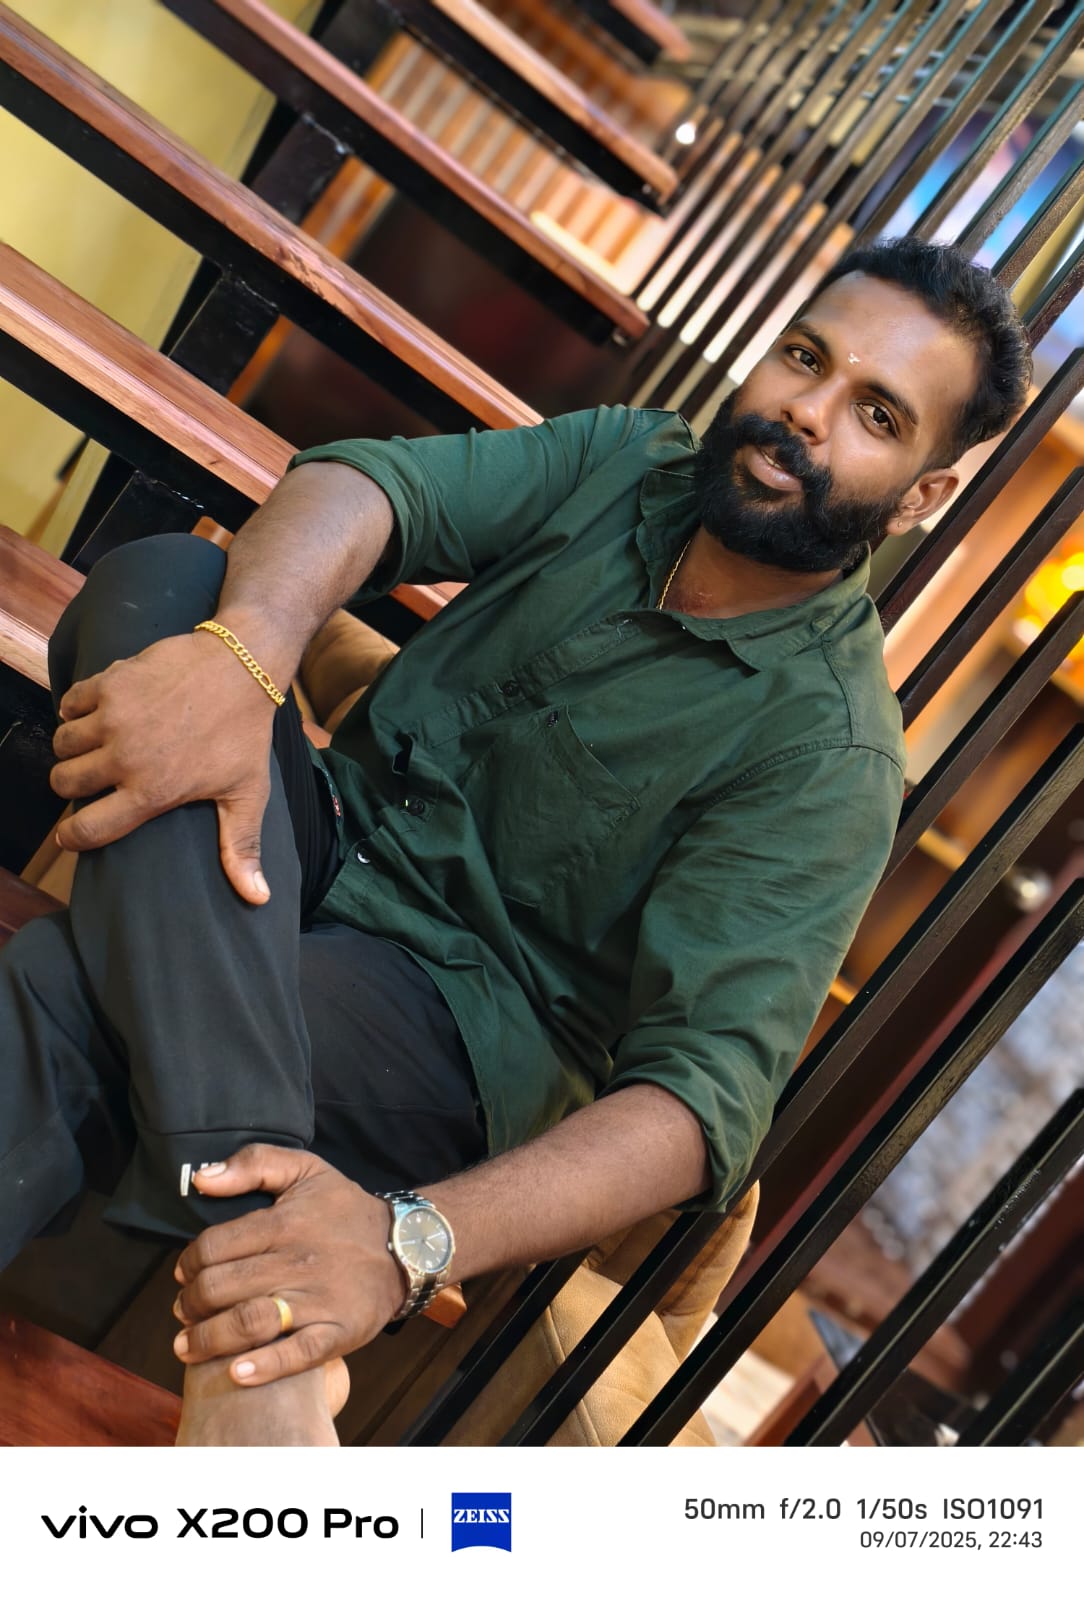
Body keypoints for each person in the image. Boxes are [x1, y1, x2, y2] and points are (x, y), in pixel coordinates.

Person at [0, 239, 1031, 1445]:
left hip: (449, 1020)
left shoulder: (828, 755)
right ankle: (260, 1304)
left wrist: (406, 1241)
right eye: (806, 358)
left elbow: (700, 1105)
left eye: (875, 414)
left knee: (73, 983)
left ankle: (242, 1239)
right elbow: (367, 488)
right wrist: (247, 660)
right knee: (169, 582)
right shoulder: (628, 460)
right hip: (315, 834)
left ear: (919, 496)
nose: (807, 410)